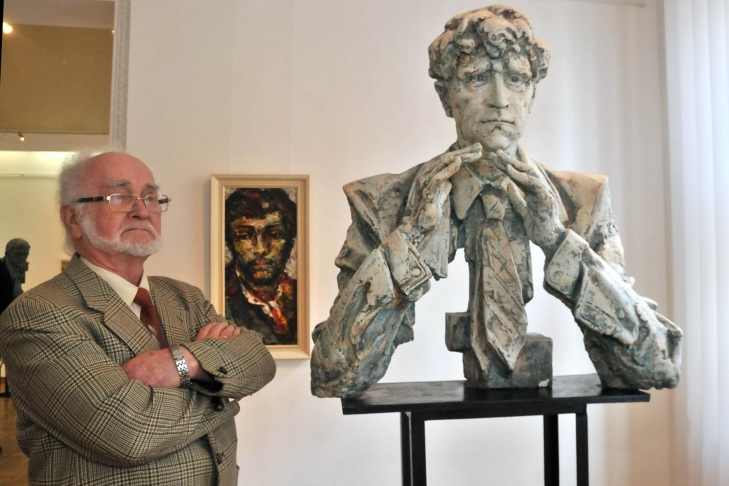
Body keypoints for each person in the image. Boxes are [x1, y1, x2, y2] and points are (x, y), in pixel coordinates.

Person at [311, 5, 682, 397]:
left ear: (532, 94)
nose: (500, 100)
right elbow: (334, 374)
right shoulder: (382, 203)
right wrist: (411, 240)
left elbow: (655, 365)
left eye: (517, 79)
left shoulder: (582, 201)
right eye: (477, 78)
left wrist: (558, 241)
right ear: (446, 96)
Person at [0, 151, 276, 485]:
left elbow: (259, 360)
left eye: (150, 197)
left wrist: (183, 362)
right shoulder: (37, 313)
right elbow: (128, 432)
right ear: (73, 218)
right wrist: (218, 384)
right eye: (119, 196)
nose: (142, 210)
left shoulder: (184, 297)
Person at [224, 188, 298, 345]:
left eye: (275, 235)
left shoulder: (300, 294)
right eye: (244, 235)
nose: (261, 249)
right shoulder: (219, 297)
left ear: (290, 241)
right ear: (230, 242)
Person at [0, 238, 30, 315]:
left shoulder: (18, 267)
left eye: (25, 254)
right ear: (7, 254)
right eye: (18, 254)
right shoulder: (2, 268)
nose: (22, 258)